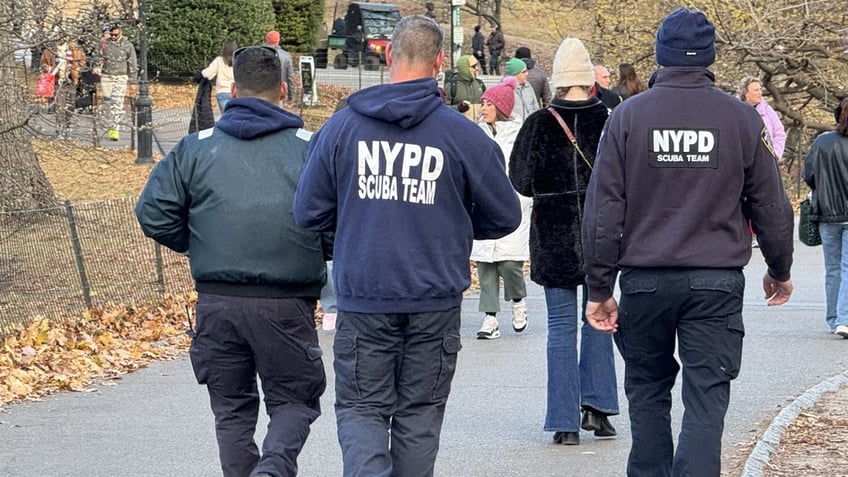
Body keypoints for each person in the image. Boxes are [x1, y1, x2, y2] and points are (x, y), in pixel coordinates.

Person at [292, 15, 521, 477]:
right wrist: (452, 222)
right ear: (440, 62)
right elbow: (505, 216)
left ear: (388, 55)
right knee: (419, 414)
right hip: (434, 297)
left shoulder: (341, 130)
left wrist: (358, 223)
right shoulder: (463, 137)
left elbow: (307, 212)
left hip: (364, 293)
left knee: (361, 408)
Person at [582, 9, 794, 476]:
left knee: (647, 390)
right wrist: (779, 268)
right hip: (714, 281)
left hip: (644, 280)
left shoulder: (627, 118)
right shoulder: (741, 119)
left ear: (661, 53)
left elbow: (603, 210)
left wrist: (600, 287)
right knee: (706, 396)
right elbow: (772, 204)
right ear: (710, 56)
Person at [135, 45, 329, 477]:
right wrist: (318, 248)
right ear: (283, 90)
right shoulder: (311, 149)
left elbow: (152, 213)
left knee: (231, 408)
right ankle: (274, 468)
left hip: (217, 300)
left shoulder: (194, 149)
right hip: (286, 302)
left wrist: (201, 243)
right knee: (295, 400)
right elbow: (336, 218)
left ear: (233, 89)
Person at [509, 37, 619, 447]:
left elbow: (518, 180)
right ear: (590, 78)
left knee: (559, 328)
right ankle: (599, 406)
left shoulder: (538, 124)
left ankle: (563, 420)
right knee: (600, 319)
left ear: (556, 79)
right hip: (600, 233)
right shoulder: (609, 118)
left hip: (553, 234)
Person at [472, 76, 531, 340]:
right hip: (483, 205)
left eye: (488, 104)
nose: (483, 108)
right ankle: (490, 319)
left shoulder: (519, 136)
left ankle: (518, 301)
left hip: (512, 205)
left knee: (509, 265)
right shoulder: (476, 134)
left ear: (502, 110)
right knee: (485, 267)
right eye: (482, 103)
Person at [803, 98, 848, 338]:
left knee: (833, 269)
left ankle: (834, 319)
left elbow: (809, 175)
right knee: (847, 267)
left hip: (827, 213)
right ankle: (844, 319)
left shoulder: (822, 142)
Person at [99, 25, 137, 141]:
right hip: (107, 76)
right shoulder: (104, 43)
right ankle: (108, 124)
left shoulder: (127, 45)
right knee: (107, 102)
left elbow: (132, 62)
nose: (114, 37)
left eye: (116, 35)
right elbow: (96, 57)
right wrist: (101, 60)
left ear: (121, 33)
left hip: (121, 76)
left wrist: (133, 80)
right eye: (112, 35)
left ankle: (115, 128)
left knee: (117, 102)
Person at [739, 76, 786, 160]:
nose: (760, 93)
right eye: (756, 90)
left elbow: (780, 133)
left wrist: (775, 154)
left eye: (760, 89)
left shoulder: (768, 110)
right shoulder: (735, 110)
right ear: (745, 93)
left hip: (765, 162)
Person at [444, 54, 486, 121]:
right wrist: (458, 108)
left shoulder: (480, 84)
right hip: (459, 128)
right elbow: (443, 109)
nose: (477, 69)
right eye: (473, 66)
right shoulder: (451, 87)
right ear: (465, 68)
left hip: (479, 127)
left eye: (477, 66)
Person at [202, 38, 237, 114]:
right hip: (235, 92)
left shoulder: (219, 60)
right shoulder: (237, 61)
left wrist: (201, 72)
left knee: (225, 116)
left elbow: (208, 74)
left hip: (222, 92)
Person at [265, 30, 295, 104]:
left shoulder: (259, 54)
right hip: (278, 93)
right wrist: (291, 96)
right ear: (278, 40)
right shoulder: (286, 56)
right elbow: (290, 77)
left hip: (261, 93)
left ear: (267, 40)